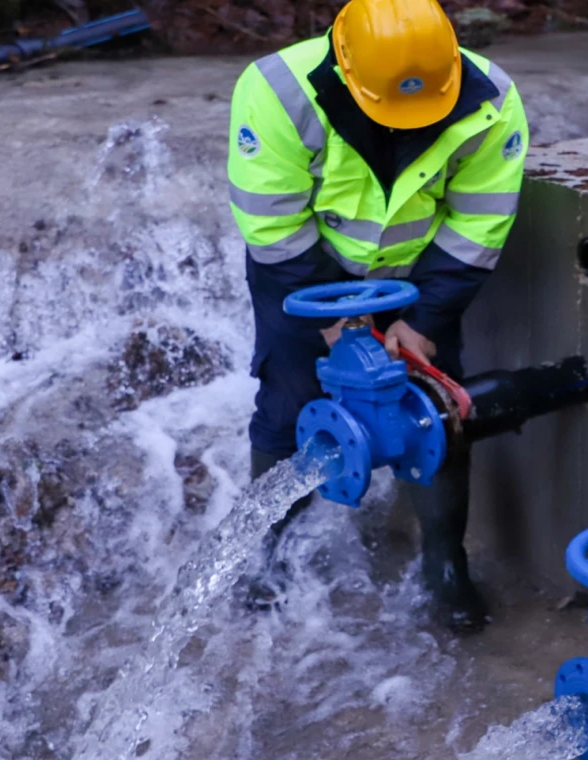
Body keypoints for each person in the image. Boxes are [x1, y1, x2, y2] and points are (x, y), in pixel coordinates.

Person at [226, 0, 528, 634]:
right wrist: (335, 325)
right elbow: (273, 223)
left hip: (417, 280)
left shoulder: (491, 98)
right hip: (304, 274)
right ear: (344, 63)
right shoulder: (277, 92)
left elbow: (479, 223)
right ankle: (267, 557)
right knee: (288, 407)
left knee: (437, 415)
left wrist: (422, 319)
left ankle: (445, 562)